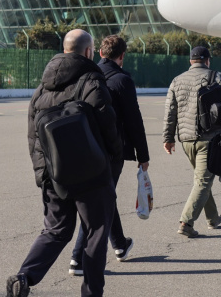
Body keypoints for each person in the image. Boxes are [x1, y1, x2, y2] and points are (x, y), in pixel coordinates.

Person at [7, 29, 120, 297]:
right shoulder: (92, 80)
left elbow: (33, 136)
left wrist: (43, 175)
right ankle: (91, 293)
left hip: (54, 175)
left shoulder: (41, 88)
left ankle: (24, 277)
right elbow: (108, 126)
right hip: (91, 174)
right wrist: (112, 159)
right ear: (89, 52)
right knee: (95, 232)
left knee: (56, 230)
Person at [69, 35, 149, 277]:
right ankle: (78, 258)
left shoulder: (85, 76)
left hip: (85, 146)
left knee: (105, 196)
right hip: (112, 151)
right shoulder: (123, 80)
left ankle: (120, 245)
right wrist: (142, 155)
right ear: (121, 56)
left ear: (100, 53)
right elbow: (134, 121)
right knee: (99, 202)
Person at [162, 46, 221, 238]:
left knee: (202, 179)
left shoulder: (177, 80)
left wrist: (168, 138)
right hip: (210, 139)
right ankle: (186, 222)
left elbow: (170, 113)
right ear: (207, 60)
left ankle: (213, 218)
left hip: (186, 140)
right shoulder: (217, 76)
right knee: (202, 181)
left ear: (190, 61)